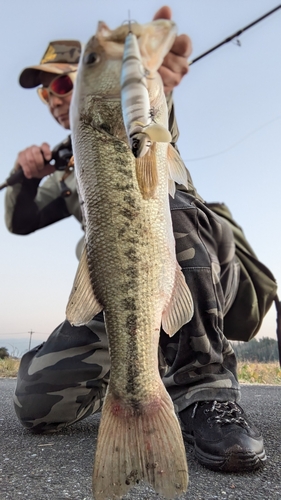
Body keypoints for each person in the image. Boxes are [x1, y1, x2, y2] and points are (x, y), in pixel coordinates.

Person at [5, 6, 267, 473]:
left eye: (63, 82)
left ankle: (205, 387)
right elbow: (21, 222)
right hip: (126, 294)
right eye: (45, 91)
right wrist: (23, 177)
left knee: (168, 203)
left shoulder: (136, 120)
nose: (52, 97)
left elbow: (151, 119)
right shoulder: (66, 176)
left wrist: (152, 78)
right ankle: (138, 382)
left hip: (206, 278)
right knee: (35, 403)